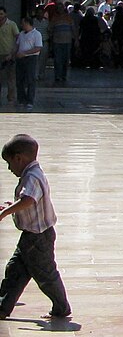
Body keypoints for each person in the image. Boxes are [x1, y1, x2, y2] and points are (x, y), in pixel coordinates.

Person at [0, 135, 71, 324]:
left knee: (45, 274)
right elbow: (29, 202)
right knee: (15, 271)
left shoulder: (31, 176)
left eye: (9, 164)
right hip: (31, 236)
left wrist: (6, 212)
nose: (9, 169)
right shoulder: (34, 173)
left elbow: (29, 200)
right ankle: (2, 308)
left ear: (19, 158)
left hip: (38, 238)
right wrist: (11, 205)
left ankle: (61, 308)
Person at [14, 16, 41, 109]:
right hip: (20, 59)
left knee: (30, 79)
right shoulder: (21, 34)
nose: (22, 25)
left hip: (31, 58)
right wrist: (13, 54)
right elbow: (17, 45)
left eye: (23, 23)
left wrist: (25, 53)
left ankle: (30, 100)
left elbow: (38, 47)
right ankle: (21, 99)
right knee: (19, 80)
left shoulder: (36, 34)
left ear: (27, 23)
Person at [46, 3, 73, 86]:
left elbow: (73, 28)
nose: (60, 9)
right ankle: (57, 76)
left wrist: (76, 39)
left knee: (65, 59)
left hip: (67, 41)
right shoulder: (55, 18)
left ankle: (63, 75)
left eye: (61, 7)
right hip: (57, 41)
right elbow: (50, 29)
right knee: (57, 60)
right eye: (58, 8)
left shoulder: (68, 17)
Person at [0, 8, 16, 109]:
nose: (0, 16)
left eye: (1, 14)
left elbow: (17, 38)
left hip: (9, 55)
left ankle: (11, 98)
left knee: (10, 78)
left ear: (5, 14)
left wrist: (12, 53)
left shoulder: (11, 24)